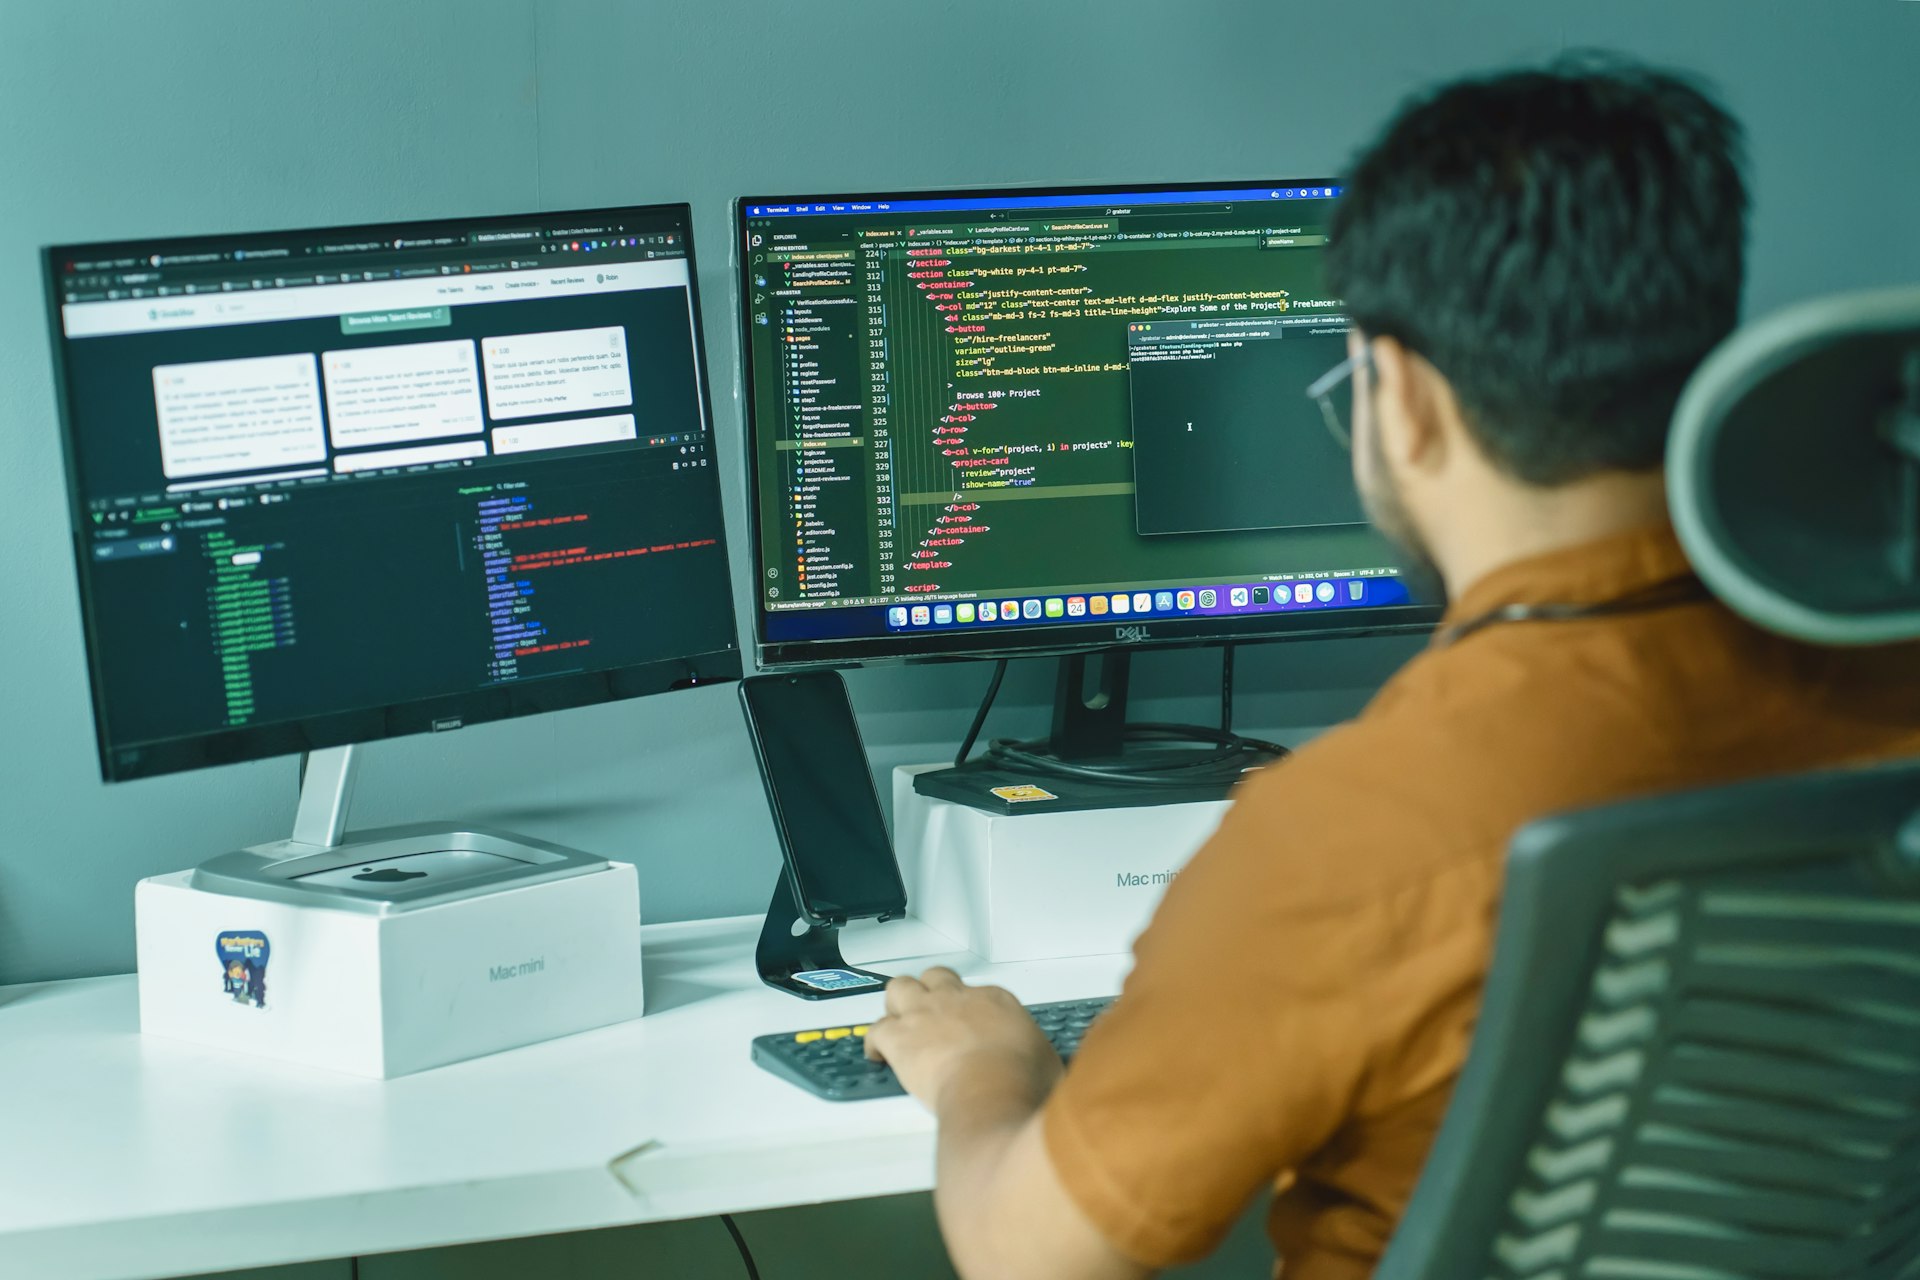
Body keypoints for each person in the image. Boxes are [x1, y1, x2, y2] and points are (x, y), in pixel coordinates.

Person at [862, 56, 1920, 1280]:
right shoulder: (1889, 705)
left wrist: (983, 1065)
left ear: (1399, 398)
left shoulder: (1352, 832)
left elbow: (1029, 1253)